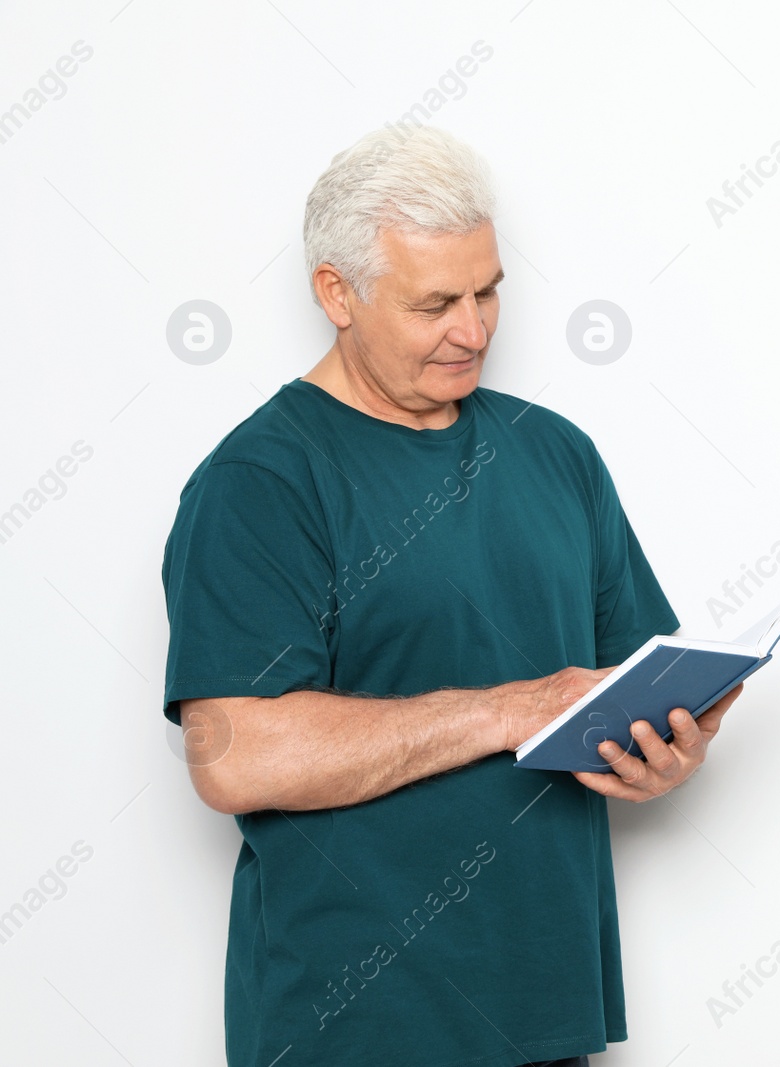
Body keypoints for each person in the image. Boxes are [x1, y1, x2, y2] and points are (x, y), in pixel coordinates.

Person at [160, 124, 740, 1067]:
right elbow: (236, 755)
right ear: (336, 294)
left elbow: (631, 681)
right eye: (435, 302)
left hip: (548, 1015)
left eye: (488, 291)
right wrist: (513, 708)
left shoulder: (556, 453)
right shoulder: (261, 481)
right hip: (358, 1030)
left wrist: (669, 749)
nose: (472, 330)